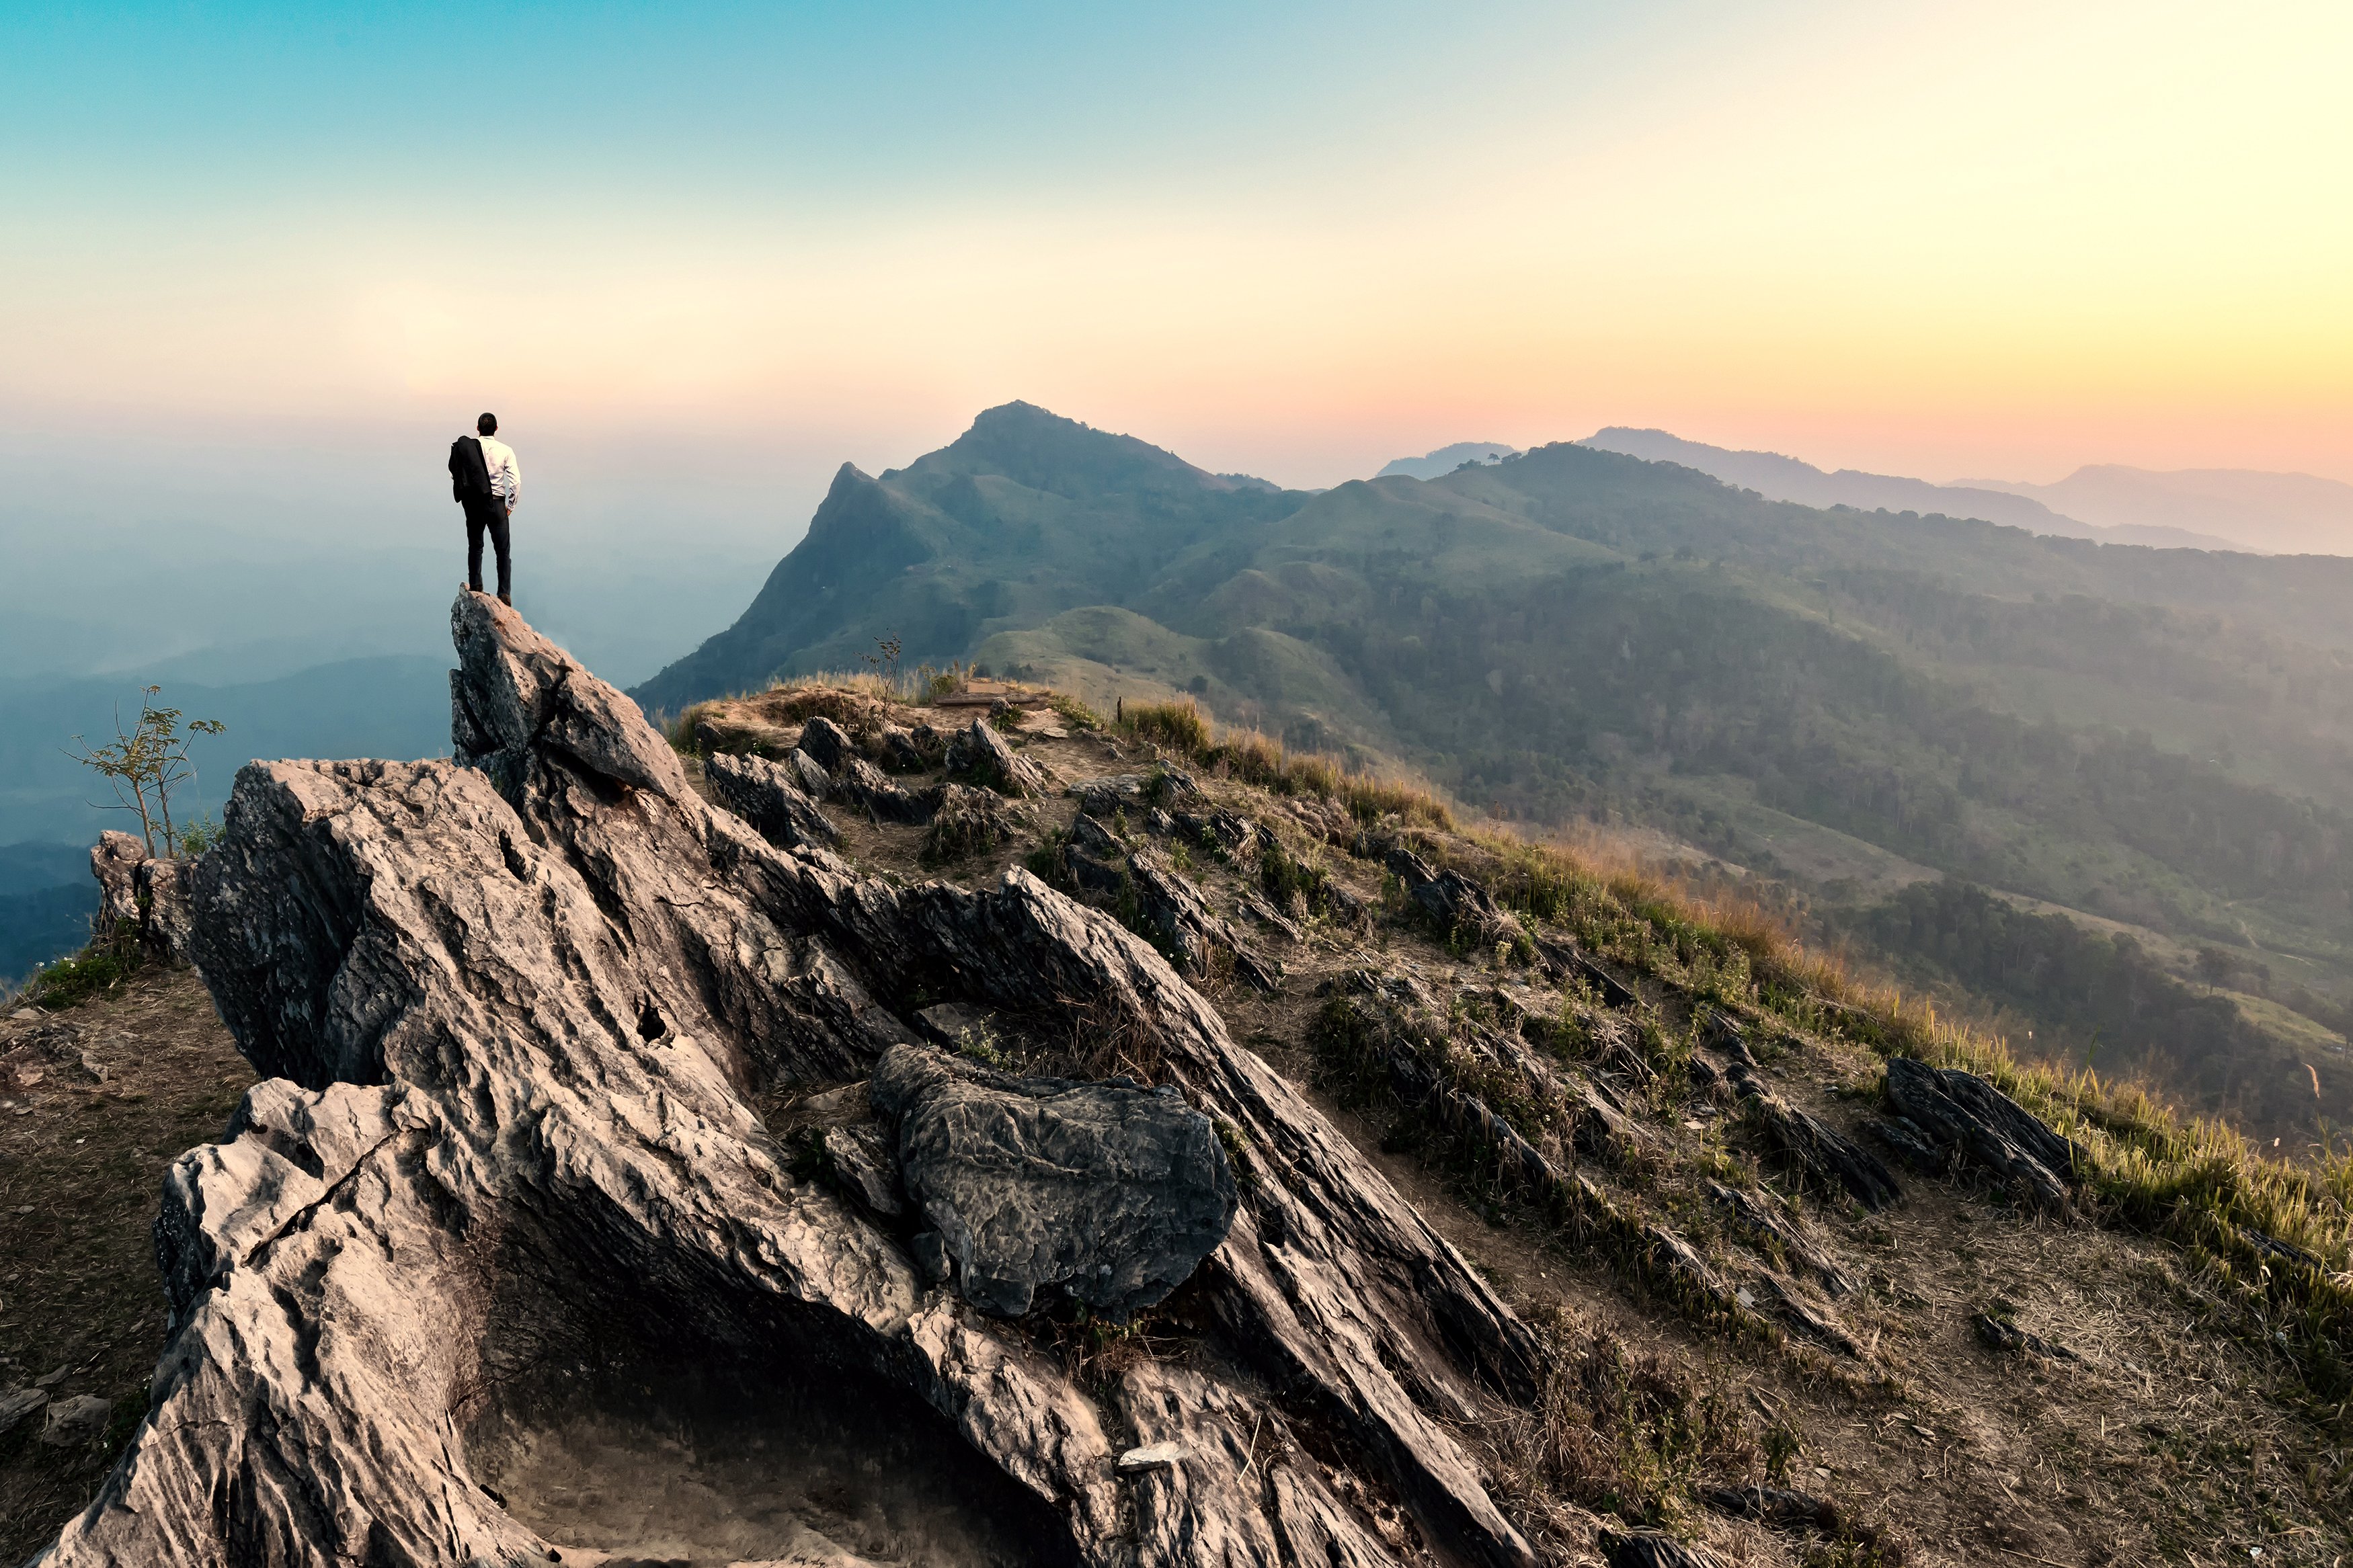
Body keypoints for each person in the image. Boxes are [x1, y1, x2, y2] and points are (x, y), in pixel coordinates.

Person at [448, 412, 521, 605]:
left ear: (477, 428)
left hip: (473, 503)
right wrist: (510, 506)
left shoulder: (468, 449)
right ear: (496, 429)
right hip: (496, 503)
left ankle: (476, 587)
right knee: (502, 551)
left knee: (476, 546)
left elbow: (455, 475)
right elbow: (515, 482)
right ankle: (504, 595)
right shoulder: (505, 450)